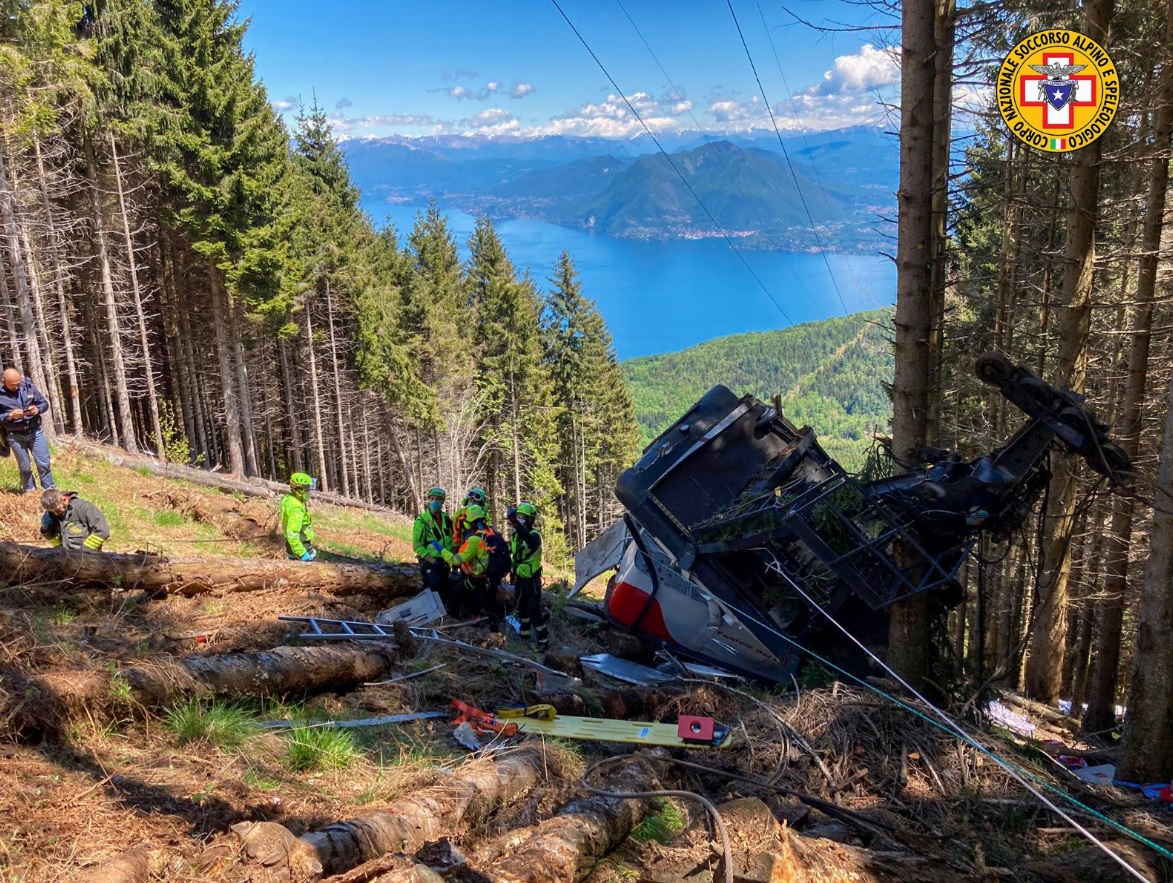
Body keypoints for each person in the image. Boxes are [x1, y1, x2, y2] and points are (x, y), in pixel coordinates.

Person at [441, 504, 504, 625]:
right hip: (491, 577)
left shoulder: (475, 539)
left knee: (455, 594)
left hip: (478, 578)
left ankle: (452, 623)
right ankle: (490, 622)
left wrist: (442, 551)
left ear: (469, 523)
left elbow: (456, 560)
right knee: (486, 602)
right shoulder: (492, 533)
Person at [0, 368, 55, 494]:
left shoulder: (29, 387)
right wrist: (9, 416)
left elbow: (44, 404)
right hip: (15, 435)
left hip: (35, 431)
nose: (16, 387)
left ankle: (50, 491)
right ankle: (30, 492)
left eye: (18, 383)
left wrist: (38, 409)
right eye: (12, 385)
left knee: (44, 464)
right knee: (25, 467)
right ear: (4, 382)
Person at [508, 501, 547, 651]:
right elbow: (515, 555)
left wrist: (515, 523)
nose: (520, 519)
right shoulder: (515, 535)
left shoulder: (534, 535)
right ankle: (524, 635)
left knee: (533, 610)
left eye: (522, 517)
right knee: (521, 608)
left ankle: (543, 641)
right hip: (520, 578)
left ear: (530, 519)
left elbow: (529, 541)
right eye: (518, 516)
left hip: (531, 580)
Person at [413, 486, 453, 602]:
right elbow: (417, 546)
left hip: (445, 560)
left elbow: (451, 539)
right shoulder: (422, 521)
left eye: (438, 499)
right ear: (429, 500)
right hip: (429, 560)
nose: (434, 501)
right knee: (434, 583)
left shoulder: (446, 519)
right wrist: (433, 561)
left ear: (442, 501)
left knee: (445, 589)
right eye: (432, 498)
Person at [40, 489, 109, 551]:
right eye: (53, 511)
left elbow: (102, 531)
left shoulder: (84, 508)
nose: (56, 513)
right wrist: (46, 530)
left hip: (87, 555)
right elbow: (54, 539)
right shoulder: (51, 513)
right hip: (65, 556)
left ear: (64, 500)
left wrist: (85, 551)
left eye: (58, 510)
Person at [281, 472, 317, 561]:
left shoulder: (290, 499)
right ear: (299, 490)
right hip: (300, 546)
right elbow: (292, 533)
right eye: (307, 489)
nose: (309, 492)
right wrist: (302, 553)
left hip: (292, 545)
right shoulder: (296, 509)